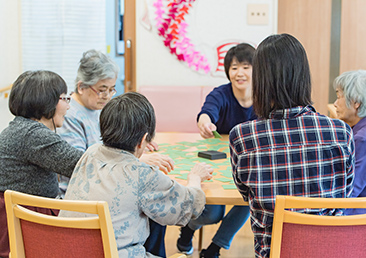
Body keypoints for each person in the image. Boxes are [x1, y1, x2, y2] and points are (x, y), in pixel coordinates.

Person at [229, 34, 355, 257]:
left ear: (260, 80)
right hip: (330, 252)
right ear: (304, 76)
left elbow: (246, 194)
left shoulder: (242, 137)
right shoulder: (341, 133)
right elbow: (344, 193)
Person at [59, 92, 214, 258]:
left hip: (69, 250)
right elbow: (189, 207)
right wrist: (195, 178)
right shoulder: (143, 175)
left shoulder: (91, 153)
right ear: (143, 140)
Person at [57, 49, 174, 257]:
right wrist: (134, 159)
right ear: (81, 87)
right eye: (102, 89)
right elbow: (78, 162)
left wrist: (138, 142)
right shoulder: (71, 115)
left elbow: (111, 146)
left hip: (108, 185)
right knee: (153, 208)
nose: (108, 96)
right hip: (86, 195)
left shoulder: (99, 107)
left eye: (112, 89)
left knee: (152, 206)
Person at [177, 43, 256, 258]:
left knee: (250, 199)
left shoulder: (266, 97)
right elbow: (206, 113)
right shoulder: (220, 93)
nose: (239, 73)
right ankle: (188, 229)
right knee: (212, 213)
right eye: (234, 67)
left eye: (246, 67)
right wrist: (205, 123)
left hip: (249, 164)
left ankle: (214, 249)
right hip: (218, 163)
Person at [0, 70, 84, 258]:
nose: (68, 106)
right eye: (65, 98)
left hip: (19, 216)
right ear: (46, 101)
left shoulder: (21, 128)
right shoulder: (34, 134)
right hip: (22, 224)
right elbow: (81, 165)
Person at [333, 70, 366, 215]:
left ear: (356, 102)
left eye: (339, 97)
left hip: (363, 221)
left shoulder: (365, 139)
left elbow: (349, 190)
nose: (335, 103)